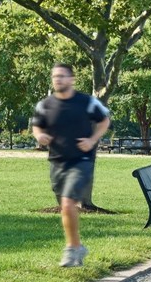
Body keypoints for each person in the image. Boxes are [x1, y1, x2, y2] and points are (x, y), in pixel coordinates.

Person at [31, 63, 110, 267]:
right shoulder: (45, 104)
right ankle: (77, 246)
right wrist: (40, 136)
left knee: (67, 203)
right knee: (65, 206)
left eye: (62, 76)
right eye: (55, 76)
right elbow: (37, 125)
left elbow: (104, 121)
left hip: (81, 160)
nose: (58, 79)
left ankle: (72, 248)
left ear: (72, 79)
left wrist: (92, 140)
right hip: (57, 161)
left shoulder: (87, 102)